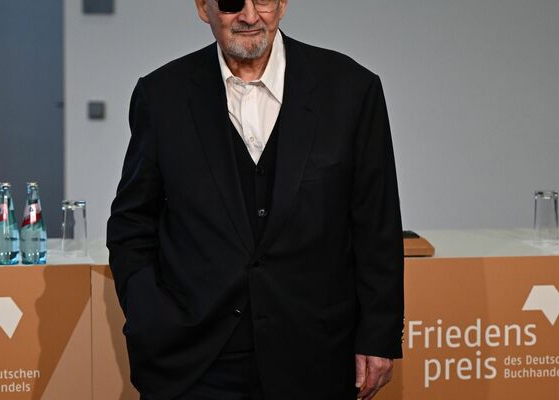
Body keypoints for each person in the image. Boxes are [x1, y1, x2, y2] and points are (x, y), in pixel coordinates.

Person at [107, 0, 404, 399]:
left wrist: (378, 334)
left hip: (316, 357)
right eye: (231, 2)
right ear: (202, 7)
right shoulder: (162, 95)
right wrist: (150, 319)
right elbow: (132, 225)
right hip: (194, 363)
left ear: (282, 4)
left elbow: (376, 226)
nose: (249, 16)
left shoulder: (351, 89)